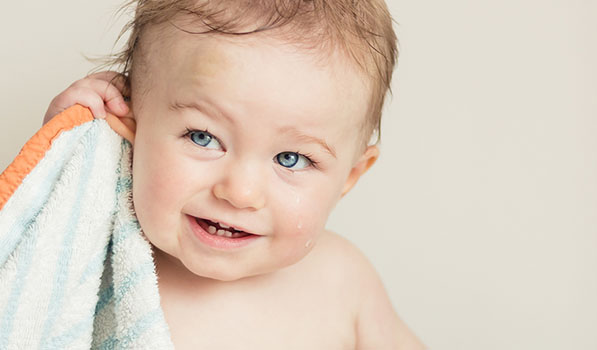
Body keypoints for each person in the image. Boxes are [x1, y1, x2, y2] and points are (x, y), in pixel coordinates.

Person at [44, 0, 424, 348]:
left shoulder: (343, 280)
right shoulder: (92, 264)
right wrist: (63, 157)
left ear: (349, 177)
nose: (239, 193)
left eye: (290, 158)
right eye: (203, 137)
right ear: (128, 120)